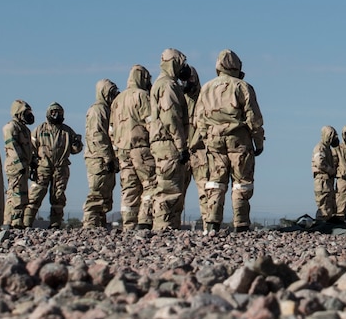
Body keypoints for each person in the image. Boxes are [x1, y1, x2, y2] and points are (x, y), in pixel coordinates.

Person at [192, 49, 265, 232]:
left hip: (214, 140)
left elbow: (198, 118)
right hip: (239, 140)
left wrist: (206, 136)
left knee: (215, 181)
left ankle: (212, 223)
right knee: (241, 182)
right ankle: (241, 224)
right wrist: (259, 142)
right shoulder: (242, 86)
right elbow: (254, 118)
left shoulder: (207, 88)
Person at [148, 49, 197, 231]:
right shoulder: (168, 85)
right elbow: (171, 118)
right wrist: (181, 145)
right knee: (170, 189)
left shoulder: (163, 84)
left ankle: (167, 227)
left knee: (168, 186)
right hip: (169, 143)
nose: (185, 68)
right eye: (181, 64)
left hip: (162, 142)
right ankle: (164, 228)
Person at [110, 66, 155, 228]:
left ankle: (128, 224)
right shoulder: (142, 96)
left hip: (122, 150)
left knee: (129, 188)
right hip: (141, 148)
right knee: (150, 184)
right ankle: (145, 221)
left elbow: (111, 129)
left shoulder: (117, 100)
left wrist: (116, 150)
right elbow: (151, 123)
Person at [26, 102, 82, 227]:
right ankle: (26, 223)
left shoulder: (67, 131)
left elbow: (75, 150)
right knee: (36, 194)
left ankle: (55, 224)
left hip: (61, 168)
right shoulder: (40, 130)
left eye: (59, 112)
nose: (56, 115)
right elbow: (31, 148)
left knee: (58, 196)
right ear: (48, 114)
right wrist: (32, 164)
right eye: (53, 112)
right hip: (42, 167)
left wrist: (77, 145)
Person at [82, 79, 119, 228]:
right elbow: (98, 135)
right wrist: (107, 157)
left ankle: (99, 222)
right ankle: (90, 224)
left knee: (106, 193)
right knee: (97, 191)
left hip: (104, 157)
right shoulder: (98, 110)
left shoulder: (107, 109)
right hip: (98, 158)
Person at [1, 100, 37, 228]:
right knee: (15, 194)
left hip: (24, 166)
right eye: (26, 112)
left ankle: (17, 221)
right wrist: (19, 165)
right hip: (15, 167)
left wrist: (33, 162)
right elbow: (12, 148)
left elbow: (29, 148)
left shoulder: (25, 130)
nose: (29, 115)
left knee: (22, 195)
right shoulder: (11, 128)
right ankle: (10, 222)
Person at [311, 126, 340, 223]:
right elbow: (320, 163)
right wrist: (331, 170)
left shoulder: (327, 149)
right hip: (322, 181)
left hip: (327, 181)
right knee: (323, 206)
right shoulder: (320, 148)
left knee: (329, 205)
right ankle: (320, 227)